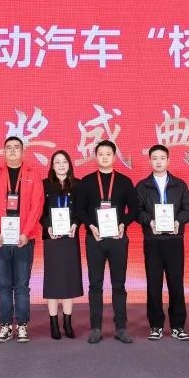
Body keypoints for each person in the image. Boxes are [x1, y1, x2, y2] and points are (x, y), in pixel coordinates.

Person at [75, 140, 141, 344]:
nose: (104, 157)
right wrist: (91, 226)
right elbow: (80, 209)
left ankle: (121, 327)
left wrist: (123, 224)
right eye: (101, 154)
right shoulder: (86, 181)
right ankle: (95, 327)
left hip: (117, 239)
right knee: (95, 284)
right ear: (96, 156)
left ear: (114, 156)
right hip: (94, 239)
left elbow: (135, 209)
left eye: (108, 154)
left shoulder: (124, 181)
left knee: (119, 284)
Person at [0, 136, 44, 343]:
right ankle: (6, 325)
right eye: (8, 147)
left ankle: (23, 324)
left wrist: (26, 232)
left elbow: (37, 206)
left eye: (16, 147)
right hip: (1, 238)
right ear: (3, 151)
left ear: (23, 152)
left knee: (22, 285)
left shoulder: (32, 175)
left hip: (24, 238)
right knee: (3, 284)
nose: (12, 151)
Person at [135, 145, 189, 341]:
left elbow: (188, 208)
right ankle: (156, 325)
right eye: (155, 158)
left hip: (174, 240)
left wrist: (178, 221)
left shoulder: (179, 185)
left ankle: (178, 326)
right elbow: (137, 210)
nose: (158, 161)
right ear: (150, 161)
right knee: (153, 284)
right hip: (152, 241)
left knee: (176, 283)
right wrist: (149, 221)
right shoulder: (142, 186)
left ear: (168, 161)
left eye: (162, 158)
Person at [40, 150, 82, 340]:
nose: (61, 165)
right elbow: (39, 212)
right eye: (57, 162)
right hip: (52, 239)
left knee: (69, 280)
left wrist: (75, 224)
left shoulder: (78, 185)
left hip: (70, 238)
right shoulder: (44, 185)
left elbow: (81, 210)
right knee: (53, 281)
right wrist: (48, 226)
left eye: (64, 161)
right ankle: (54, 323)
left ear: (69, 164)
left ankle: (67, 322)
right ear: (52, 166)